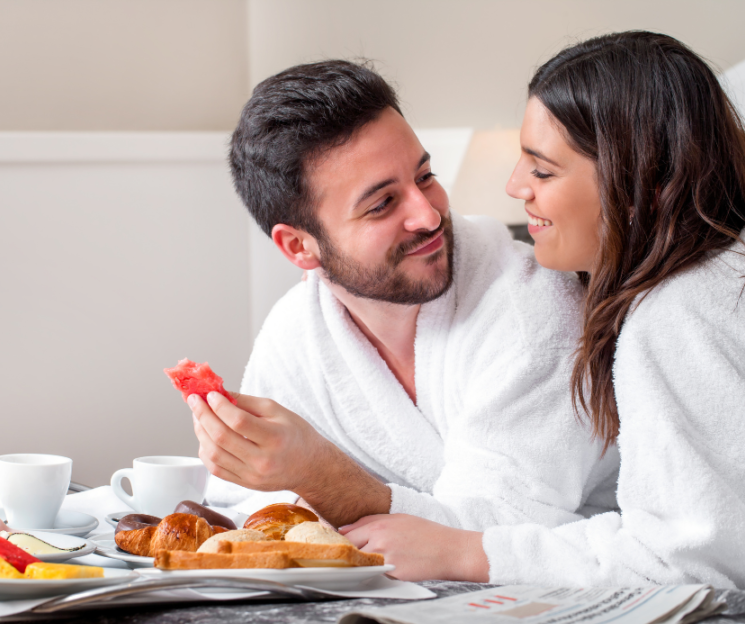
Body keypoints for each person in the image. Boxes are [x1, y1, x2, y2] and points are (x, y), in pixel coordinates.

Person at [342, 31, 745, 588]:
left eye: (541, 170)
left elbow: (691, 559)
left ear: (646, 188)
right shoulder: (732, 265)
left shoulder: (675, 316)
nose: (515, 186)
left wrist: (469, 553)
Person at [189, 60, 617, 534]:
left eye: (425, 176)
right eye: (382, 204)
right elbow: (247, 504)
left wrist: (318, 476)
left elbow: (499, 536)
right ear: (299, 246)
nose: (429, 215)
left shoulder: (534, 308)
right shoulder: (298, 329)